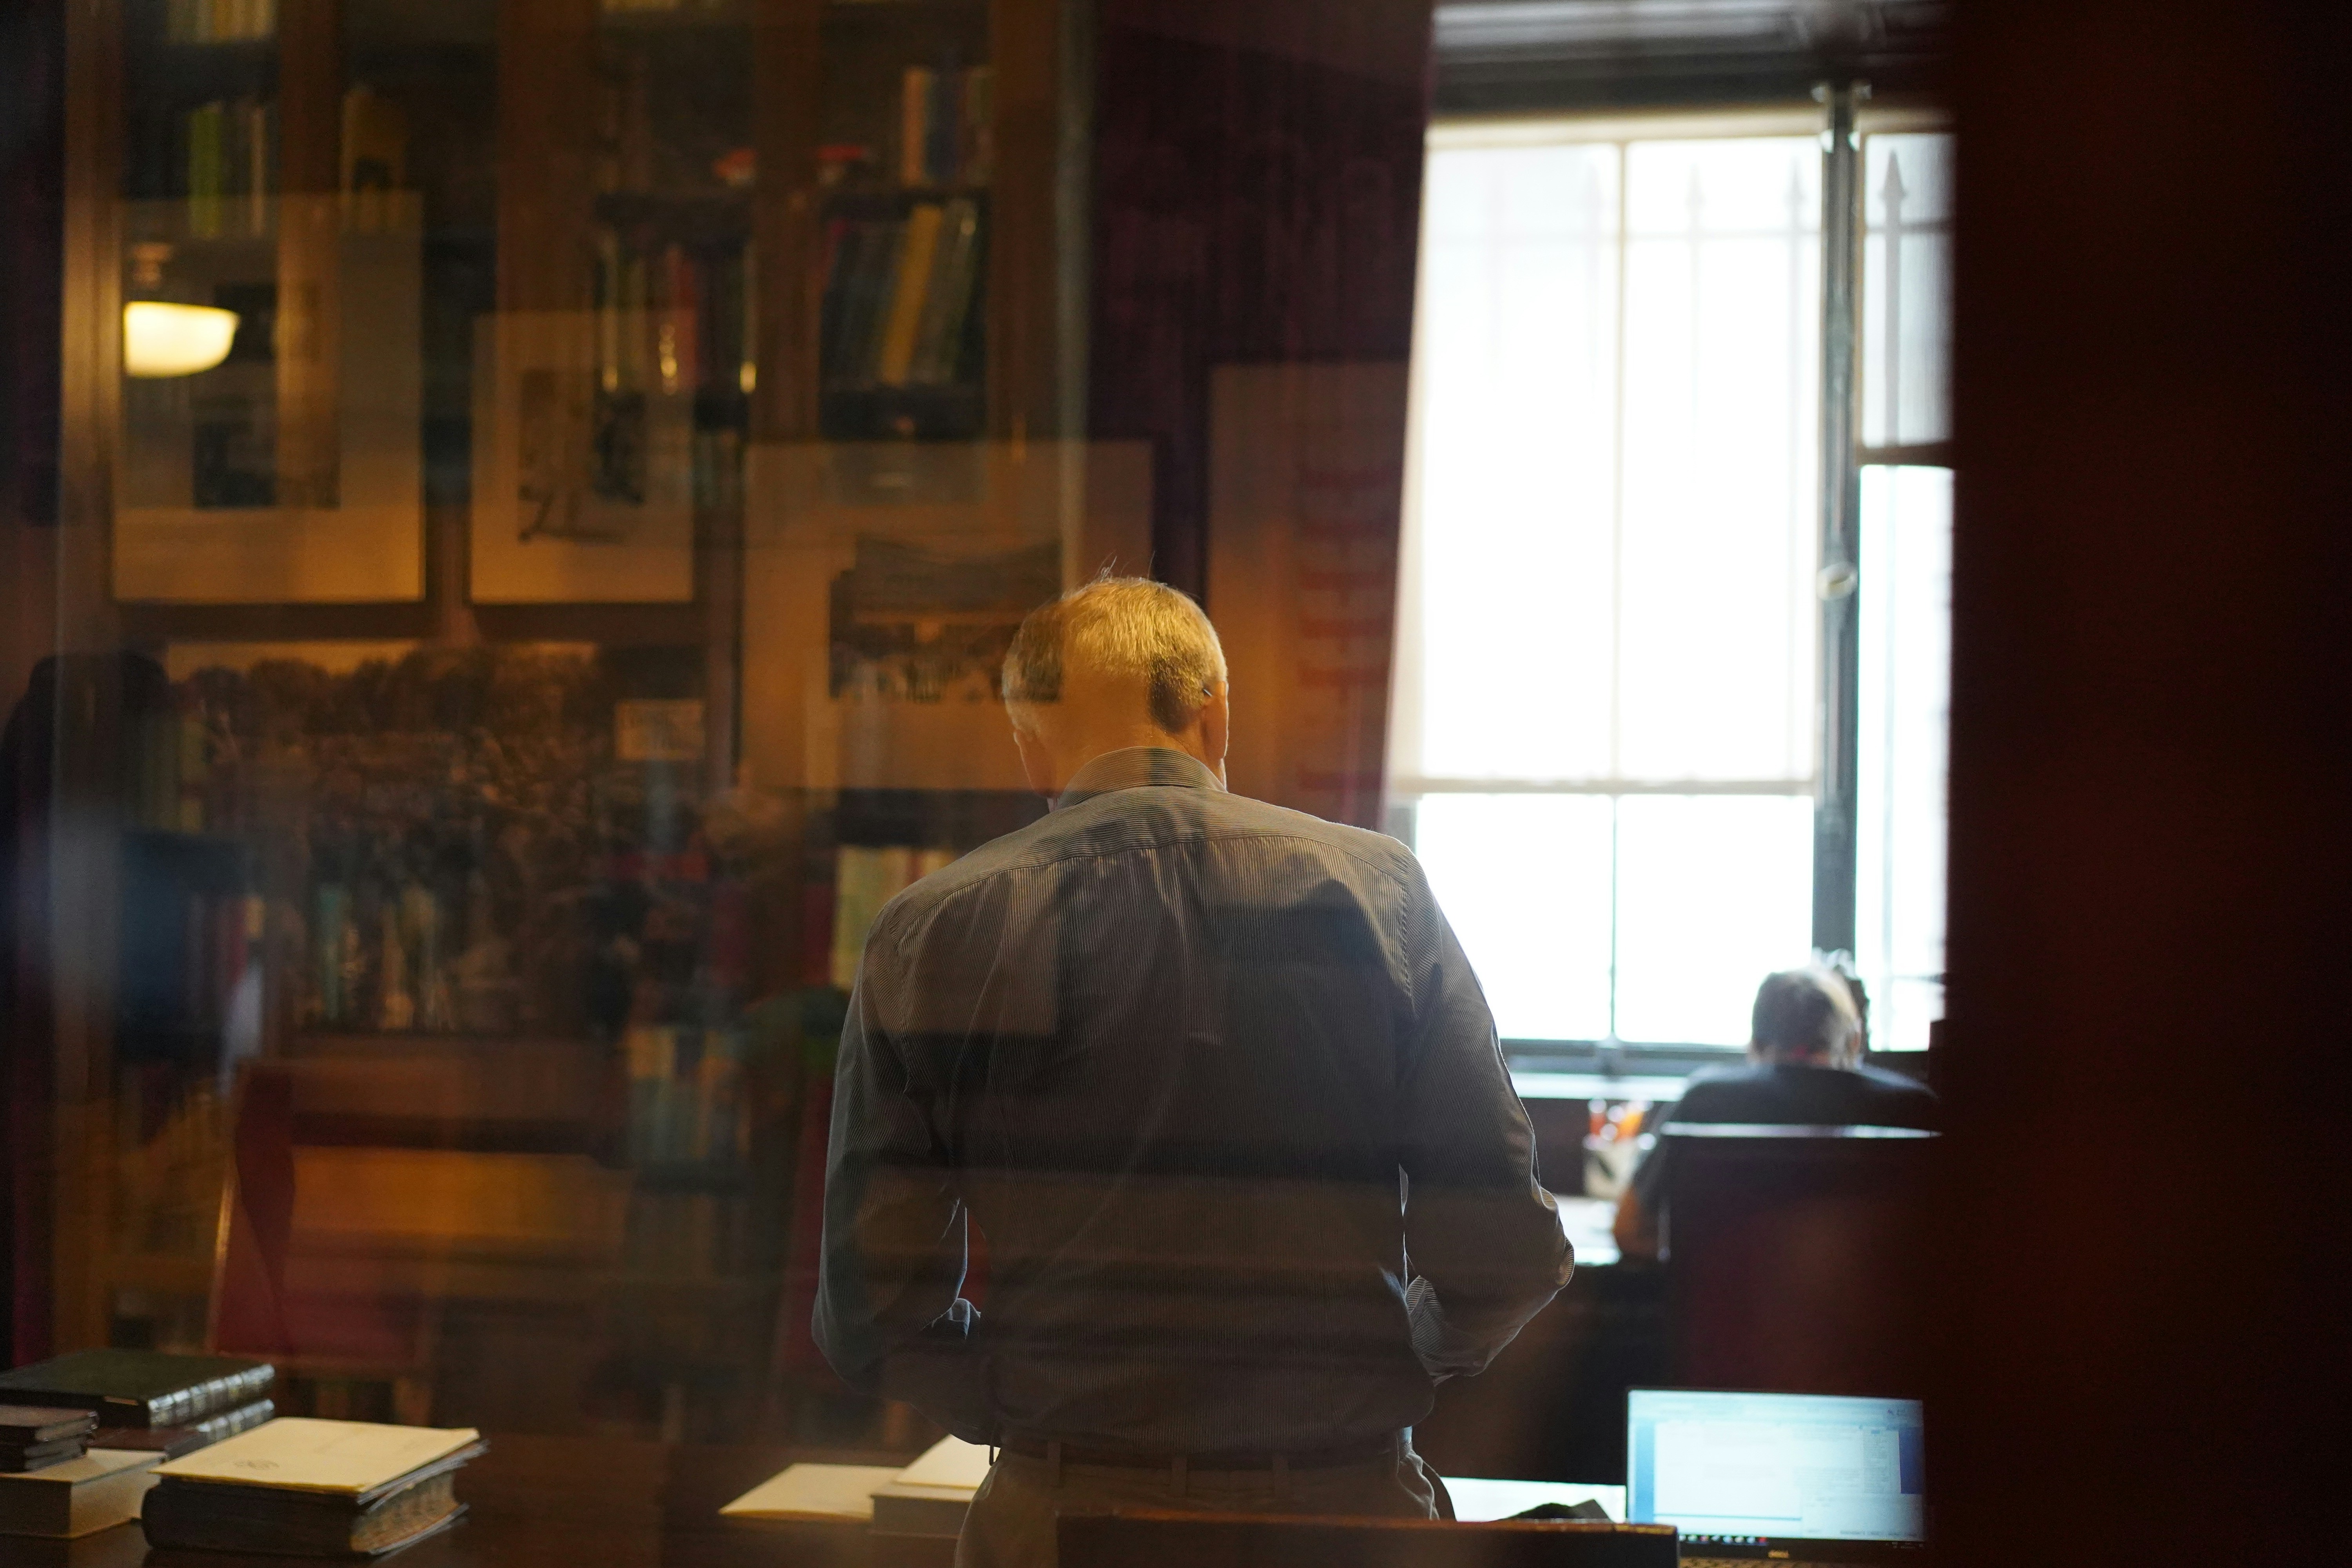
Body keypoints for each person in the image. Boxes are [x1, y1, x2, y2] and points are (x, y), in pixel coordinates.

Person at [814, 576, 1573, 1568]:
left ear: (1031, 744)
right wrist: (1390, 1359)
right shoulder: (1378, 890)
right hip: (1339, 1512)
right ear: (1213, 715)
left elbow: (872, 1305)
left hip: (1061, 1513)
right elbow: (1506, 1248)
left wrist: (1024, 1398)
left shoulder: (930, 929)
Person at [1611, 965, 1938, 1261]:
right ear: (1853, 1043)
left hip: (1728, 1320)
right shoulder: (1913, 1107)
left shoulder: (1705, 1100)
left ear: (1754, 1044)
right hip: (1874, 1323)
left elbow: (1628, 1229)